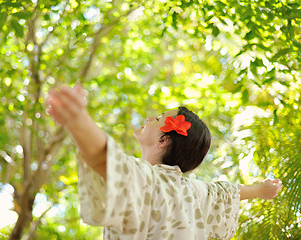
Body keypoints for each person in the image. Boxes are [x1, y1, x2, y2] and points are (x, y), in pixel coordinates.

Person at [46, 84, 283, 240]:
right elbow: (227, 192)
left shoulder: (143, 178)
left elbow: (104, 158)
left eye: (158, 118)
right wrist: (261, 190)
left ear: (163, 140)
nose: (150, 117)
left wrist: (78, 120)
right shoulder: (194, 191)